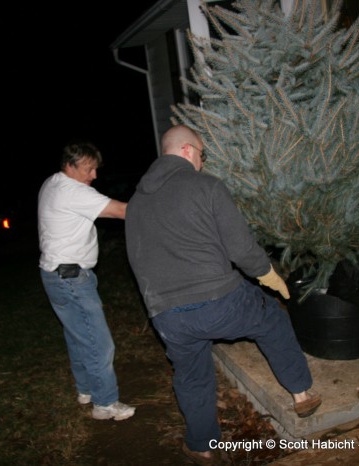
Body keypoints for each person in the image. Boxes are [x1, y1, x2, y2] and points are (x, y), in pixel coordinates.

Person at [125, 125, 320, 463]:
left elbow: (136, 258)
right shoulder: (205, 185)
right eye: (202, 153)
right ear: (187, 151)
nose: (202, 161)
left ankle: (201, 445)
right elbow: (241, 248)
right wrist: (269, 275)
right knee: (272, 318)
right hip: (219, 300)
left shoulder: (137, 202)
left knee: (191, 373)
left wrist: (159, 306)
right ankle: (302, 393)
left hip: (166, 314)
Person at [38, 141, 135, 421]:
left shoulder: (52, 183)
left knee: (77, 335)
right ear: (69, 166)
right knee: (99, 343)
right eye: (88, 169)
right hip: (71, 278)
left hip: (53, 274)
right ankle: (105, 403)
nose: (94, 175)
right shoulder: (73, 191)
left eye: (95, 169)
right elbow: (122, 211)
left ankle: (86, 390)